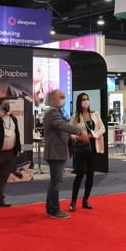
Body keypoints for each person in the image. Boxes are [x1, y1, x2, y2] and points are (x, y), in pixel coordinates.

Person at [43, 89, 88, 219]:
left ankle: (51, 209)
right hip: (55, 152)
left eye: (64, 96)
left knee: (55, 182)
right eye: (61, 97)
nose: (63, 99)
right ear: (53, 99)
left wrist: (74, 138)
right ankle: (54, 210)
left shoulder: (58, 112)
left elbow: (63, 130)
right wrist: (80, 132)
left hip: (59, 151)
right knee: (55, 182)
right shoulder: (52, 112)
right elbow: (63, 126)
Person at [68, 92, 106, 212]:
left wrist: (94, 135)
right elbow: (70, 132)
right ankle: (73, 201)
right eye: (84, 99)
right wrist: (78, 137)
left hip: (93, 146)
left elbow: (102, 128)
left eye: (87, 99)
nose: (86, 101)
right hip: (81, 147)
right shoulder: (75, 116)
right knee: (80, 174)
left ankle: (85, 200)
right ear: (79, 102)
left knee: (90, 174)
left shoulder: (95, 114)